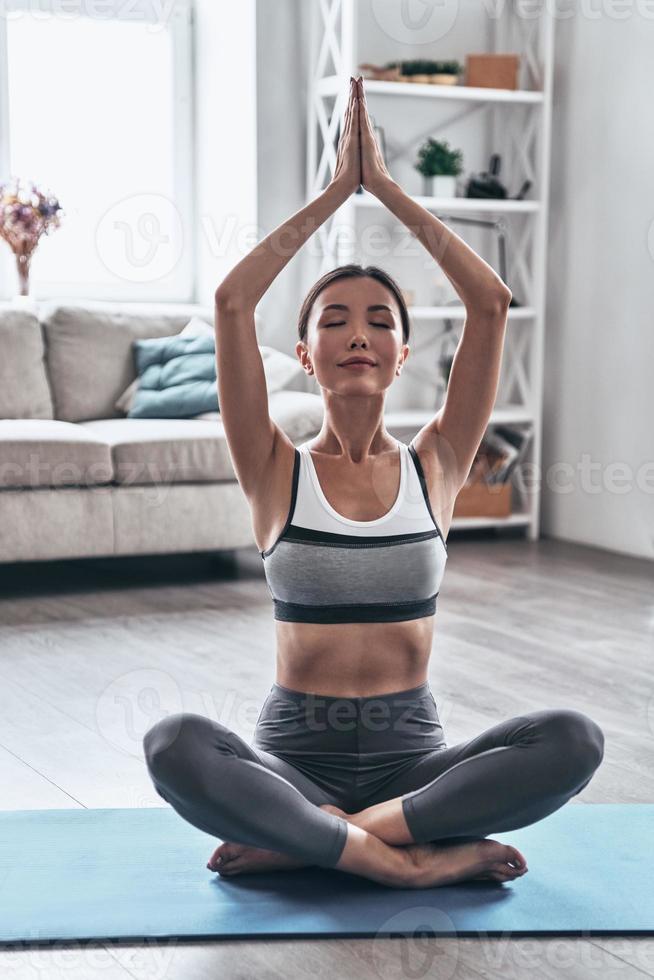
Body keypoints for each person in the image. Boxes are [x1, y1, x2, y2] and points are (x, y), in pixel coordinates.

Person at [143, 77, 604, 890]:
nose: (359, 334)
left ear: (404, 356)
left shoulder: (440, 464)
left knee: (575, 738)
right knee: (173, 743)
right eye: (334, 321)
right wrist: (333, 195)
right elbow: (231, 301)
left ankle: (333, 840)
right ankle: (407, 868)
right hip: (292, 761)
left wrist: (385, 189)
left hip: (415, 767)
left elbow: (490, 303)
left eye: (381, 322)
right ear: (304, 356)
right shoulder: (272, 466)